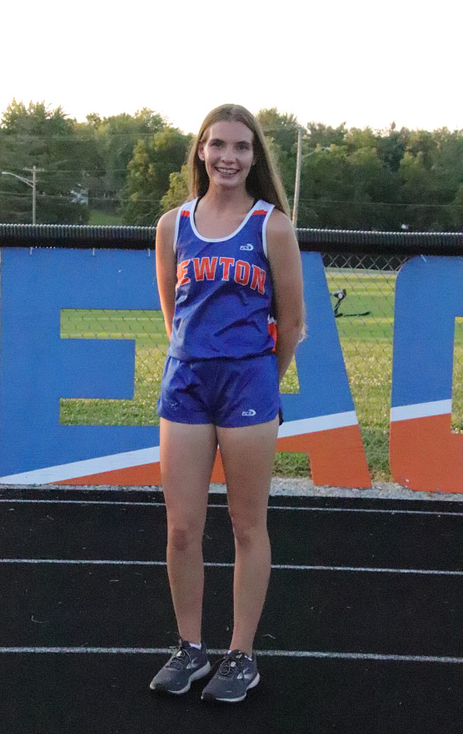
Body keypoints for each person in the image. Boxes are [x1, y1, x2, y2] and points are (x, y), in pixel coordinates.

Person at [149, 104, 305, 703]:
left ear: (254, 156)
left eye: (241, 147)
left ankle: (241, 654)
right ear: (201, 150)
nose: (228, 157)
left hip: (248, 386)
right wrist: (196, 357)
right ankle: (190, 647)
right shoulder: (172, 225)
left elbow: (292, 323)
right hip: (186, 383)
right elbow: (173, 313)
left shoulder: (272, 227)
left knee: (246, 526)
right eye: (218, 145)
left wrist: (262, 378)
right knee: (182, 529)